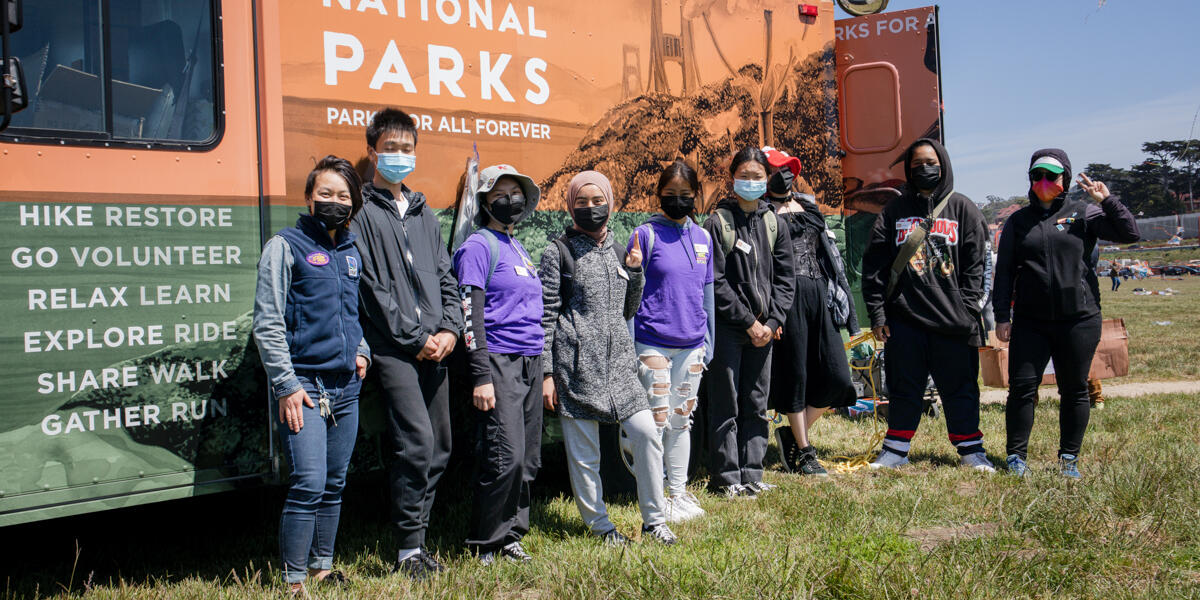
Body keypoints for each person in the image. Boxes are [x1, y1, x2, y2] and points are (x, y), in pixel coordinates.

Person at [350, 109, 463, 579]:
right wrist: (417, 339)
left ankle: (419, 539)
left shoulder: (425, 213)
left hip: (435, 347)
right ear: (374, 151)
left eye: (406, 147)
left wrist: (450, 330)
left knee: (440, 446)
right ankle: (407, 550)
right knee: (414, 443)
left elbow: (446, 276)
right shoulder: (362, 213)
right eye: (390, 147)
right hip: (395, 351)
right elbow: (371, 290)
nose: (399, 156)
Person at [252, 156, 370, 595]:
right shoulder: (284, 246)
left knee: (336, 482)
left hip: (346, 388)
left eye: (343, 196)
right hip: (303, 388)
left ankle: (323, 567)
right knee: (309, 481)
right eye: (325, 194)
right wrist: (286, 385)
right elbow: (267, 322)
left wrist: (361, 351)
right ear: (308, 198)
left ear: (353, 203)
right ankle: (293, 580)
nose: (334, 203)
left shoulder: (351, 251)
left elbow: (352, 313)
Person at [540, 170, 677, 546]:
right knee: (586, 456)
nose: (590, 209)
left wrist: (635, 272)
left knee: (648, 436)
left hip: (620, 369)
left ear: (610, 203)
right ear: (570, 206)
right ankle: (601, 527)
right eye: (581, 202)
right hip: (577, 366)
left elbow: (628, 310)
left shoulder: (620, 251)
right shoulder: (558, 252)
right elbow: (547, 314)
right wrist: (547, 373)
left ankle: (654, 520)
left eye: (597, 201)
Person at [993, 150, 1139, 478]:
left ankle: (1068, 459)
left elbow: (1130, 234)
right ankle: (1016, 458)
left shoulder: (1084, 213)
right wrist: (1002, 315)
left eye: (1052, 176)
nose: (1044, 182)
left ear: (1066, 179)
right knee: (1021, 389)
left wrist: (1107, 200)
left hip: (1080, 319)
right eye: (1037, 176)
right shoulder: (1018, 221)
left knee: (1074, 389)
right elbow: (1004, 273)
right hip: (1031, 321)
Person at [861, 138, 995, 472]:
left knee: (961, 388)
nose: (924, 169)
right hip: (905, 320)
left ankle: (971, 452)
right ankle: (895, 450)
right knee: (904, 387)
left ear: (944, 164)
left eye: (930, 162)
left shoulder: (963, 208)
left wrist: (968, 310)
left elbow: (980, 265)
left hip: (954, 322)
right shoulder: (894, 211)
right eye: (917, 164)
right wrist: (878, 313)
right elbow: (875, 264)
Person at [453, 165, 544, 564]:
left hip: (530, 360)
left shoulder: (517, 246)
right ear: (486, 201)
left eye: (516, 193)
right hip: (498, 361)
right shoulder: (478, 246)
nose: (511, 200)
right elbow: (469, 315)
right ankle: (485, 541)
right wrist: (481, 376)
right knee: (503, 457)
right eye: (501, 193)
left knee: (528, 458)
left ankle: (511, 535)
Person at [760, 148, 858, 477]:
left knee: (838, 378)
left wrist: (845, 303)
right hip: (787, 300)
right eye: (774, 169)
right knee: (796, 377)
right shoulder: (760, 212)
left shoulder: (809, 205)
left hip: (821, 295)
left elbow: (830, 257)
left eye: (787, 168)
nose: (782, 174)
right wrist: (771, 314)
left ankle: (791, 433)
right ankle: (805, 451)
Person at [704, 147, 795, 497]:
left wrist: (772, 323)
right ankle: (726, 478)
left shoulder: (775, 223)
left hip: (765, 332)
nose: (752, 182)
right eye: (745, 175)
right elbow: (716, 282)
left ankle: (752, 473)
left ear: (767, 179)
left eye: (758, 176)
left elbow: (786, 280)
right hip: (730, 330)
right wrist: (748, 322)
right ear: (733, 178)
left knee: (757, 402)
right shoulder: (718, 223)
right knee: (726, 402)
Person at [628, 159, 714, 522]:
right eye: (670, 195)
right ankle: (656, 495)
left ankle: (678, 494)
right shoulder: (644, 235)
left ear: (696, 196)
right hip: (652, 343)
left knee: (682, 419)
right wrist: (633, 348)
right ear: (659, 196)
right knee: (657, 421)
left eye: (685, 195)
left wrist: (708, 341)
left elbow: (707, 292)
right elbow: (630, 298)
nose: (678, 201)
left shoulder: (704, 237)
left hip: (692, 343)